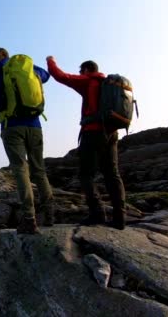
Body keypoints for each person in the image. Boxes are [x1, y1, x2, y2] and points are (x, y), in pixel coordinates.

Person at [46, 56, 126, 230]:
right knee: (112, 174)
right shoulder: (106, 84)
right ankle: (120, 218)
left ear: (87, 70)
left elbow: (61, 76)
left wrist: (50, 60)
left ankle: (97, 213)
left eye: (81, 70)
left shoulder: (88, 81)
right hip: (111, 132)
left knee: (85, 174)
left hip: (93, 132)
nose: (79, 73)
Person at [0, 47, 55, 234]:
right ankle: (50, 214)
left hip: (13, 126)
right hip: (35, 126)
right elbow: (46, 75)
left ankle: (29, 218)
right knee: (39, 170)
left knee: (21, 169)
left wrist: (4, 104)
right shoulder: (25, 67)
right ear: (8, 55)